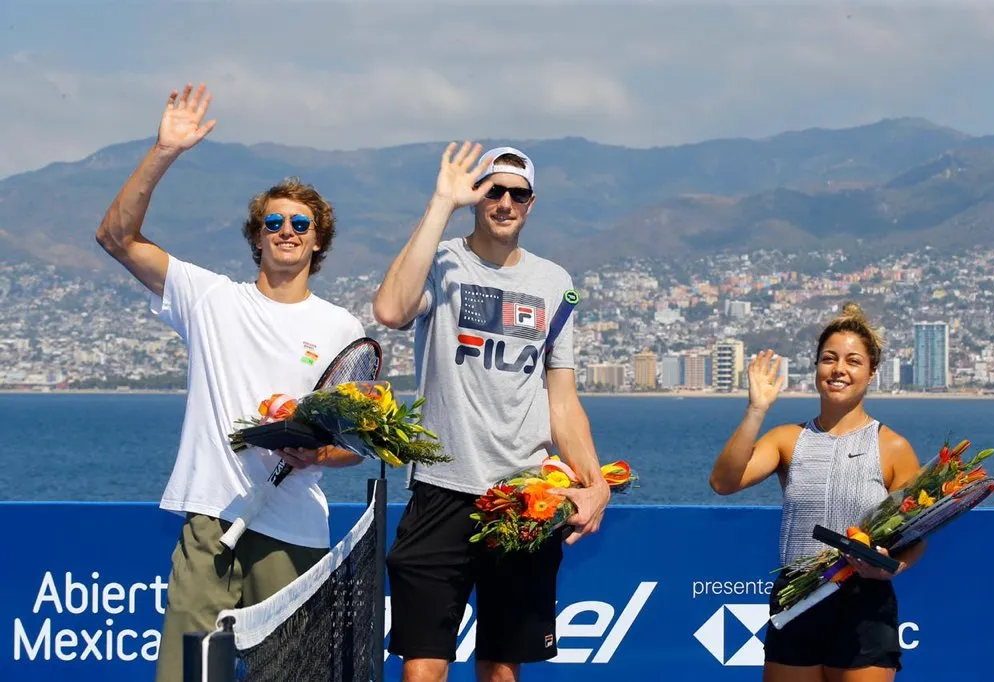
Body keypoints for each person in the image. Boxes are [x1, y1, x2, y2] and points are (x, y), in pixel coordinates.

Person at [94, 82, 366, 682]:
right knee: (196, 678)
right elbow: (116, 237)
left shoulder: (342, 326)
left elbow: (357, 444)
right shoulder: (209, 299)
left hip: (293, 533)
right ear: (257, 235)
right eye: (273, 221)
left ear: (318, 239)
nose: (286, 230)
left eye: (300, 222)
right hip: (211, 525)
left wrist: (315, 450)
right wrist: (164, 151)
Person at [372, 142, 611, 682]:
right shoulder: (441, 260)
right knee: (422, 668)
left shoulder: (555, 284)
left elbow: (562, 398)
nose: (504, 202)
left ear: (531, 203)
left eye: (516, 193)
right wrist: (441, 203)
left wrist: (595, 484)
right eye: (491, 190)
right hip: (441, 488)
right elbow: (389, 310)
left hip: (522, 497)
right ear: (477, 197)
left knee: (501, 669)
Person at [709, 302, 927, 682]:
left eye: (853, 361)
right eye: (829, 358)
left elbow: (915, 535)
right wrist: (756, 410)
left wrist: (891, 567)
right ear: (816, 368)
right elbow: (724, 482)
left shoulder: (894, 447)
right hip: (797, 599)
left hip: (865, 604)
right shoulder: (787, 440)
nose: (839, 369)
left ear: (872, 372)